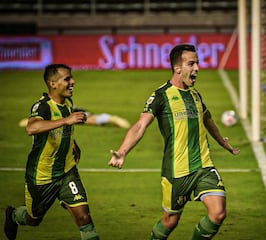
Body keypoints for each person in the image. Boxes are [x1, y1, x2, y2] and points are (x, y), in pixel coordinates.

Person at [108, 44, 240, 240]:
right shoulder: (161, 95)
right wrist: (123, 151)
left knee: (218, 213)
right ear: (177, 68)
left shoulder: (195, 95)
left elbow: (207, 118)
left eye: (198, 63)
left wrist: (223, 142)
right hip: (176, 172)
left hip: (204, 167)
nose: (197, 68)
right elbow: (140, 125)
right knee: (170, 221)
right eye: (191, 64)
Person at [4, 64, 100, 240]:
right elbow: (31, 128)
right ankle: (13, 215)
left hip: (67, 171)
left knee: (84, 217)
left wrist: (73, 144)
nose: (73, 82)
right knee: (34, 219)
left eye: (72, 78)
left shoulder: (68, 103)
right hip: (42, 177)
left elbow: (64, 129)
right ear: (53, 84)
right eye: (67, 79)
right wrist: (66, 121)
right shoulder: (43, 107)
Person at [18, 108, 131, 129]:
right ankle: (110, 119)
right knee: (88, 119)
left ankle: (111, 119)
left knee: (88, 119)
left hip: (71, 112)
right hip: (68, 113)